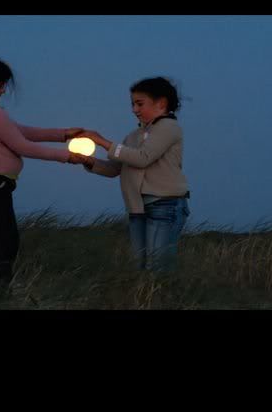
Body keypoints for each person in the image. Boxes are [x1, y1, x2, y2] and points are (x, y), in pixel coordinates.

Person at [0, 54, 87, 299]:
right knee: (3, 242)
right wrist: (66, 156)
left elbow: (21, 131)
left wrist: (64, 134)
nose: (2, 91)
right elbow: (23, 145)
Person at [78, 77, 190, 275]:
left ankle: (166, 299)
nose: (134, 109)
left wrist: (102, 141)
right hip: (138, 208)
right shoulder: (133, 136)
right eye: (132, 104)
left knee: (158, 267)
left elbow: (142, 158)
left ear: (161, 103)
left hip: (165, 204)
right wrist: (88, 162)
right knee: (139, 266)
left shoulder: (169, 128)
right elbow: (115, 169)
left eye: (140, 103)